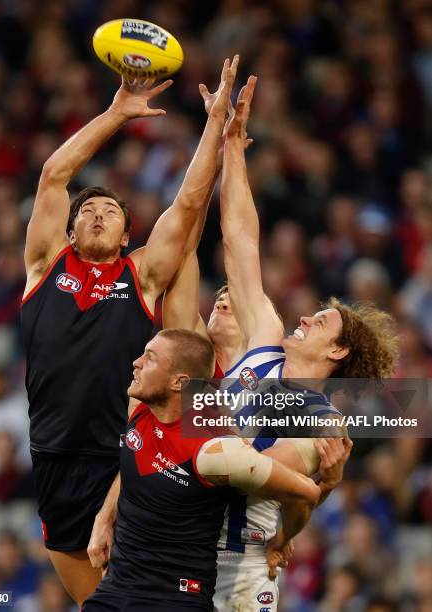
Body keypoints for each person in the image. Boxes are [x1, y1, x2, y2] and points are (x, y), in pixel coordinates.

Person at [157, 75, 398, 611]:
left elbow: (267, 481)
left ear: (338, 353)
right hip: (184, 547)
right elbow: (242, 242)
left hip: (239, 566)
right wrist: (233, 149)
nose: (307, 316)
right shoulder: (264, 343)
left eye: (322, 321)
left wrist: (307, 505)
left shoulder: (321, 420)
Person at [21, 57, 239, 606]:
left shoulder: (140, 276)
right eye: (87, 210)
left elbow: (189, 205)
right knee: (95, 600)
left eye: (110, 210)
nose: (97, 214)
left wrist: (214, 128)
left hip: (125, 452)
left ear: (126, 235)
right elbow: (54, 174)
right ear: (68, 229)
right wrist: (116, 114)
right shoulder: (46, 266)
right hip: (53, 455)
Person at [83, 329, 340, 612]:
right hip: (114, 591)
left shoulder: (215, 452)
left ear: (179, 382)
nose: (137, 362)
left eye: (150, 358)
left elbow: (305, 493)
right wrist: (104, 517)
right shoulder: (141, 406)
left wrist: (282, 539)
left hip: (173, 599)